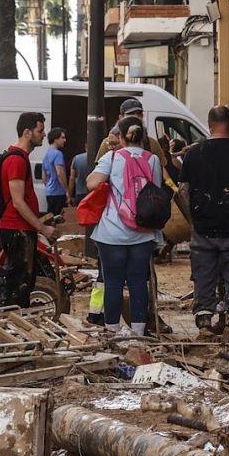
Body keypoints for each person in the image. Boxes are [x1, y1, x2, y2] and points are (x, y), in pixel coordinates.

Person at [179, 105, 229, 335]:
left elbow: (183, 191)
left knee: (203, 275)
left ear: (209, 125)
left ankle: (204, 325)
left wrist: (193, 220)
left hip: (203, 227)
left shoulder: (193, 153)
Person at [86, 123, 163, 336]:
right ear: (143, 137)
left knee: (113, 281)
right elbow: (155, 188)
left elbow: (91, 183)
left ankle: (112, 329)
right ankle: (139, 331)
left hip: (112, 231)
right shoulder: (153, 160)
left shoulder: (112, 158)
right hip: (144, 231)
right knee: (138, 281)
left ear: (120, 136)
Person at [0, 112, 57, 307]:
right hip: (17, 229)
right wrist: (42, 228)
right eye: (40, 130)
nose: (44, 134)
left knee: (23, 282)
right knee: (19, 285)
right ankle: (12, 318)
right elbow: (18, 202)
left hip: (20, 229)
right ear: (27, 133)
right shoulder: (16, 160)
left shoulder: (20, 157)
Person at [42, 127, 71, 222]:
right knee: (59, 219)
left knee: (51, 219)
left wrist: (48, 186)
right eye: (62, 138)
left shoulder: (46, 155)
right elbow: (60, 173)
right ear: (55, 139)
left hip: (49, 192)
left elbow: (44, 176)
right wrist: (67, 190)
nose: (65, 140)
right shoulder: (58, 154)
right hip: (59, 192)